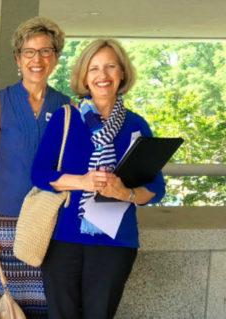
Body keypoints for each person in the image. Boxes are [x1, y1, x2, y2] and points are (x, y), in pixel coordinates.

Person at [31, 39, 166, 318]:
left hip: (114, 242)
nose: (102, 76)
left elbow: (156, 187)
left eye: (110, 67)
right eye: (94, 68)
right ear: (84, 76)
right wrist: (83, 182)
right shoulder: (65, 118)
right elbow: (40, 174)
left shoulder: (136, 125)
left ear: (122, 74)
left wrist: (125, 193)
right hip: (63, 239)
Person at [0, 17, 71, 318]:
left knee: (47, 305)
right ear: (18, 58)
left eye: (46, 51)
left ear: (55, 58)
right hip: (4, 223)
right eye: (29, 52)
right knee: (9, 309)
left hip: (48, 222)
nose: (37, 59)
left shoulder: (67, 107)